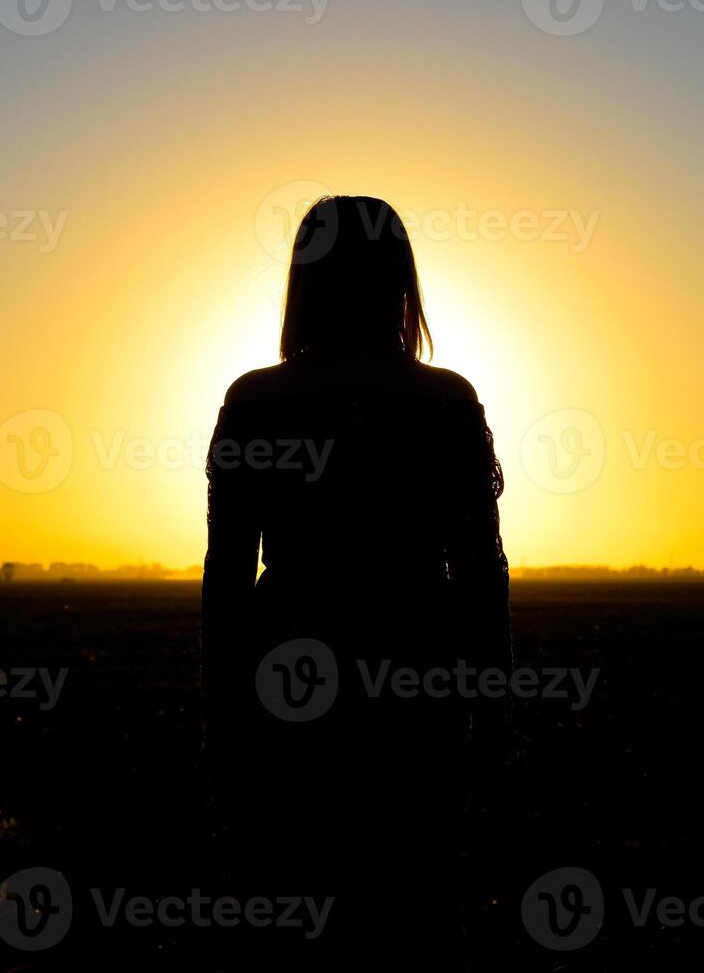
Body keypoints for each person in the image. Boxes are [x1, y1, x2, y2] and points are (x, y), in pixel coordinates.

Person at [201, 195, 512, 969]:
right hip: (418, 677)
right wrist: (494, 710)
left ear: (303, 282)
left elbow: (227, 577)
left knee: (295, 906)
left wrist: (224, 711)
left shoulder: (256, 402)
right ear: (399, 281)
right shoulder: (446, 402)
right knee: (415, 901)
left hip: (289, 673)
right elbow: (483, 574)